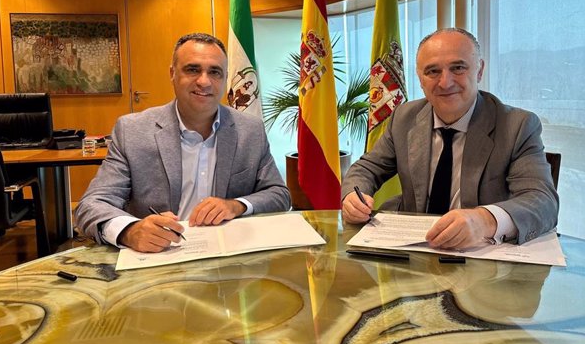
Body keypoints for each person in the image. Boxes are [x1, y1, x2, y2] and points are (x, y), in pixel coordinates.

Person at [341, 28, 558, 249]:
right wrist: (352, 196)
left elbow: (542, 201)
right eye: (433, 71)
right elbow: (367, 168)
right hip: (413, 254)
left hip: (483, 260)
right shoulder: (404, 118)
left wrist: (485, 220)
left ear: (479, 70)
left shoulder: (517, 126)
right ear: (420, 79)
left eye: (458, 68)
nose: (445, 82)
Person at [76, 33, 291, 253]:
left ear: (225, 78)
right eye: (193, 69)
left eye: (214, 72)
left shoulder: (250, 130)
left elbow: (278, 194)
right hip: (158, 257)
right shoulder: (132, 131)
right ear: (172, 74)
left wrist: (236, 205)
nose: (204, 81)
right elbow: (92, 204)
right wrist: (130, 231)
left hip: (228, 255)